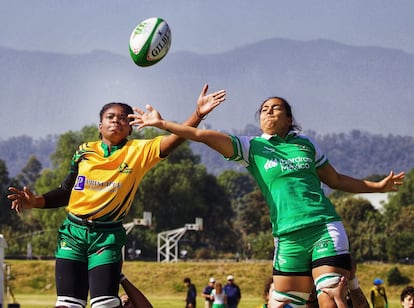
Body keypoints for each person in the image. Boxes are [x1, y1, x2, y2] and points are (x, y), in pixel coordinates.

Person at [131, 96, 405, 308]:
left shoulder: (305, 145)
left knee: (331, 296)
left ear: (288, 118)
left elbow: (336, 181)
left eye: (276, 108)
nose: (268, 111)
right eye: (264, 109)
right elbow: (203, 137)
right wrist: (162, 124)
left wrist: (377, 186)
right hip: (286, 237)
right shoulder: (252, 147)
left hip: (323, 227)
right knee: (282, 303)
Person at [7, 84, 226, 308]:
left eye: (123, 119)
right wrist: (36, 202)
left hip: (107, 236)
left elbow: (175, 139)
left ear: (131, 128)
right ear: (100, 125)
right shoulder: (84, 151)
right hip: (72, 232)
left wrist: (198, 114)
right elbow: (67, 192)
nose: (116, 121)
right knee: (67, 305)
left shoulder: (139, 151)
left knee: (105, 305)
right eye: (110, 117)